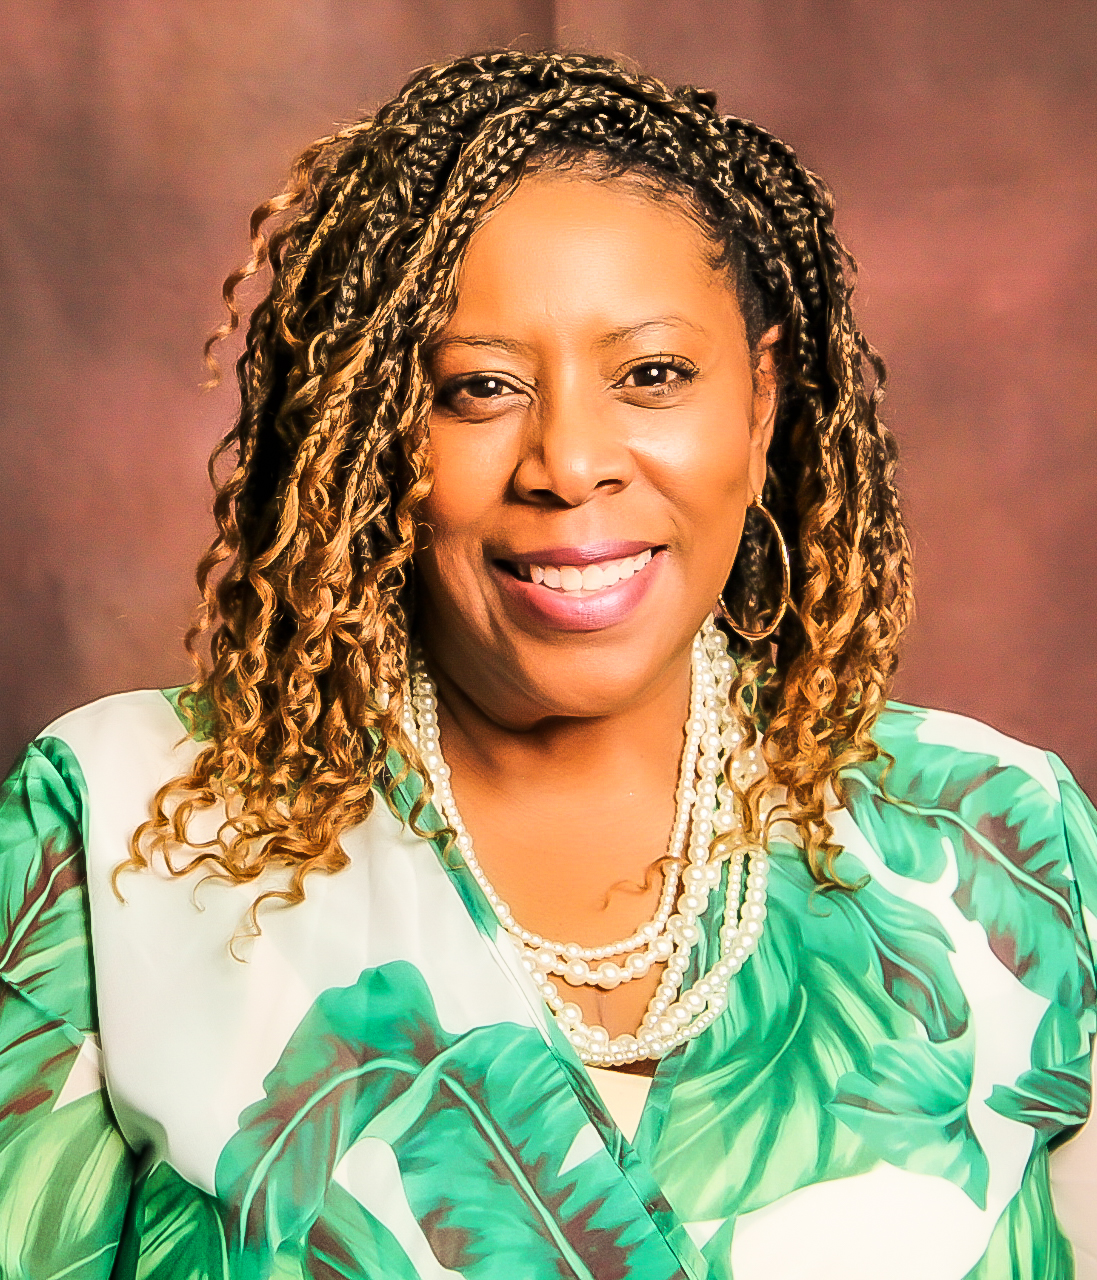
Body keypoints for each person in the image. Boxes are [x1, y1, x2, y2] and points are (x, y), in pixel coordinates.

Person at [0, 47, 1093, 1280]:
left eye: (652, 375)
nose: (569, 461)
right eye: (477, 388)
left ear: (761, 403)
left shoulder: (1003, 844)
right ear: (371, 437)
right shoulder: (122, 829)